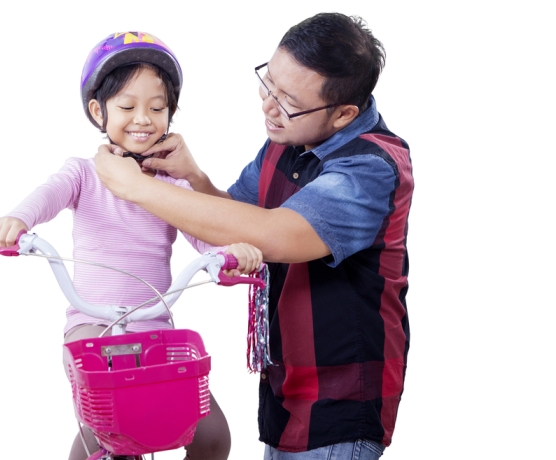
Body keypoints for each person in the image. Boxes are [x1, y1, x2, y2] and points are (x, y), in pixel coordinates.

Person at [94, 14, 413, 460]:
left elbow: (275, 235)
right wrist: (194, 178)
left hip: (340, 406)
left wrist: (135, 188)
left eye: (289, 101)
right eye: (270, 85)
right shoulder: (292, 137)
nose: (269, 107)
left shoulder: (371, 167)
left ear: (343, 114)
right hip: (286, 396)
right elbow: (239, 217)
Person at [0, 31, 262, 460]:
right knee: (109, 427)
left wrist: (233, 253)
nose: (143, 118)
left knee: (211, 436)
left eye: (157, 107)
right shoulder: (83, 173)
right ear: (99, 111)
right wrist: (17, 220)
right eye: (128, 106)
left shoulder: (170, 188)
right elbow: (49, 194)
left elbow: (205, 237)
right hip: (93, 330)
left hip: (155, 330)